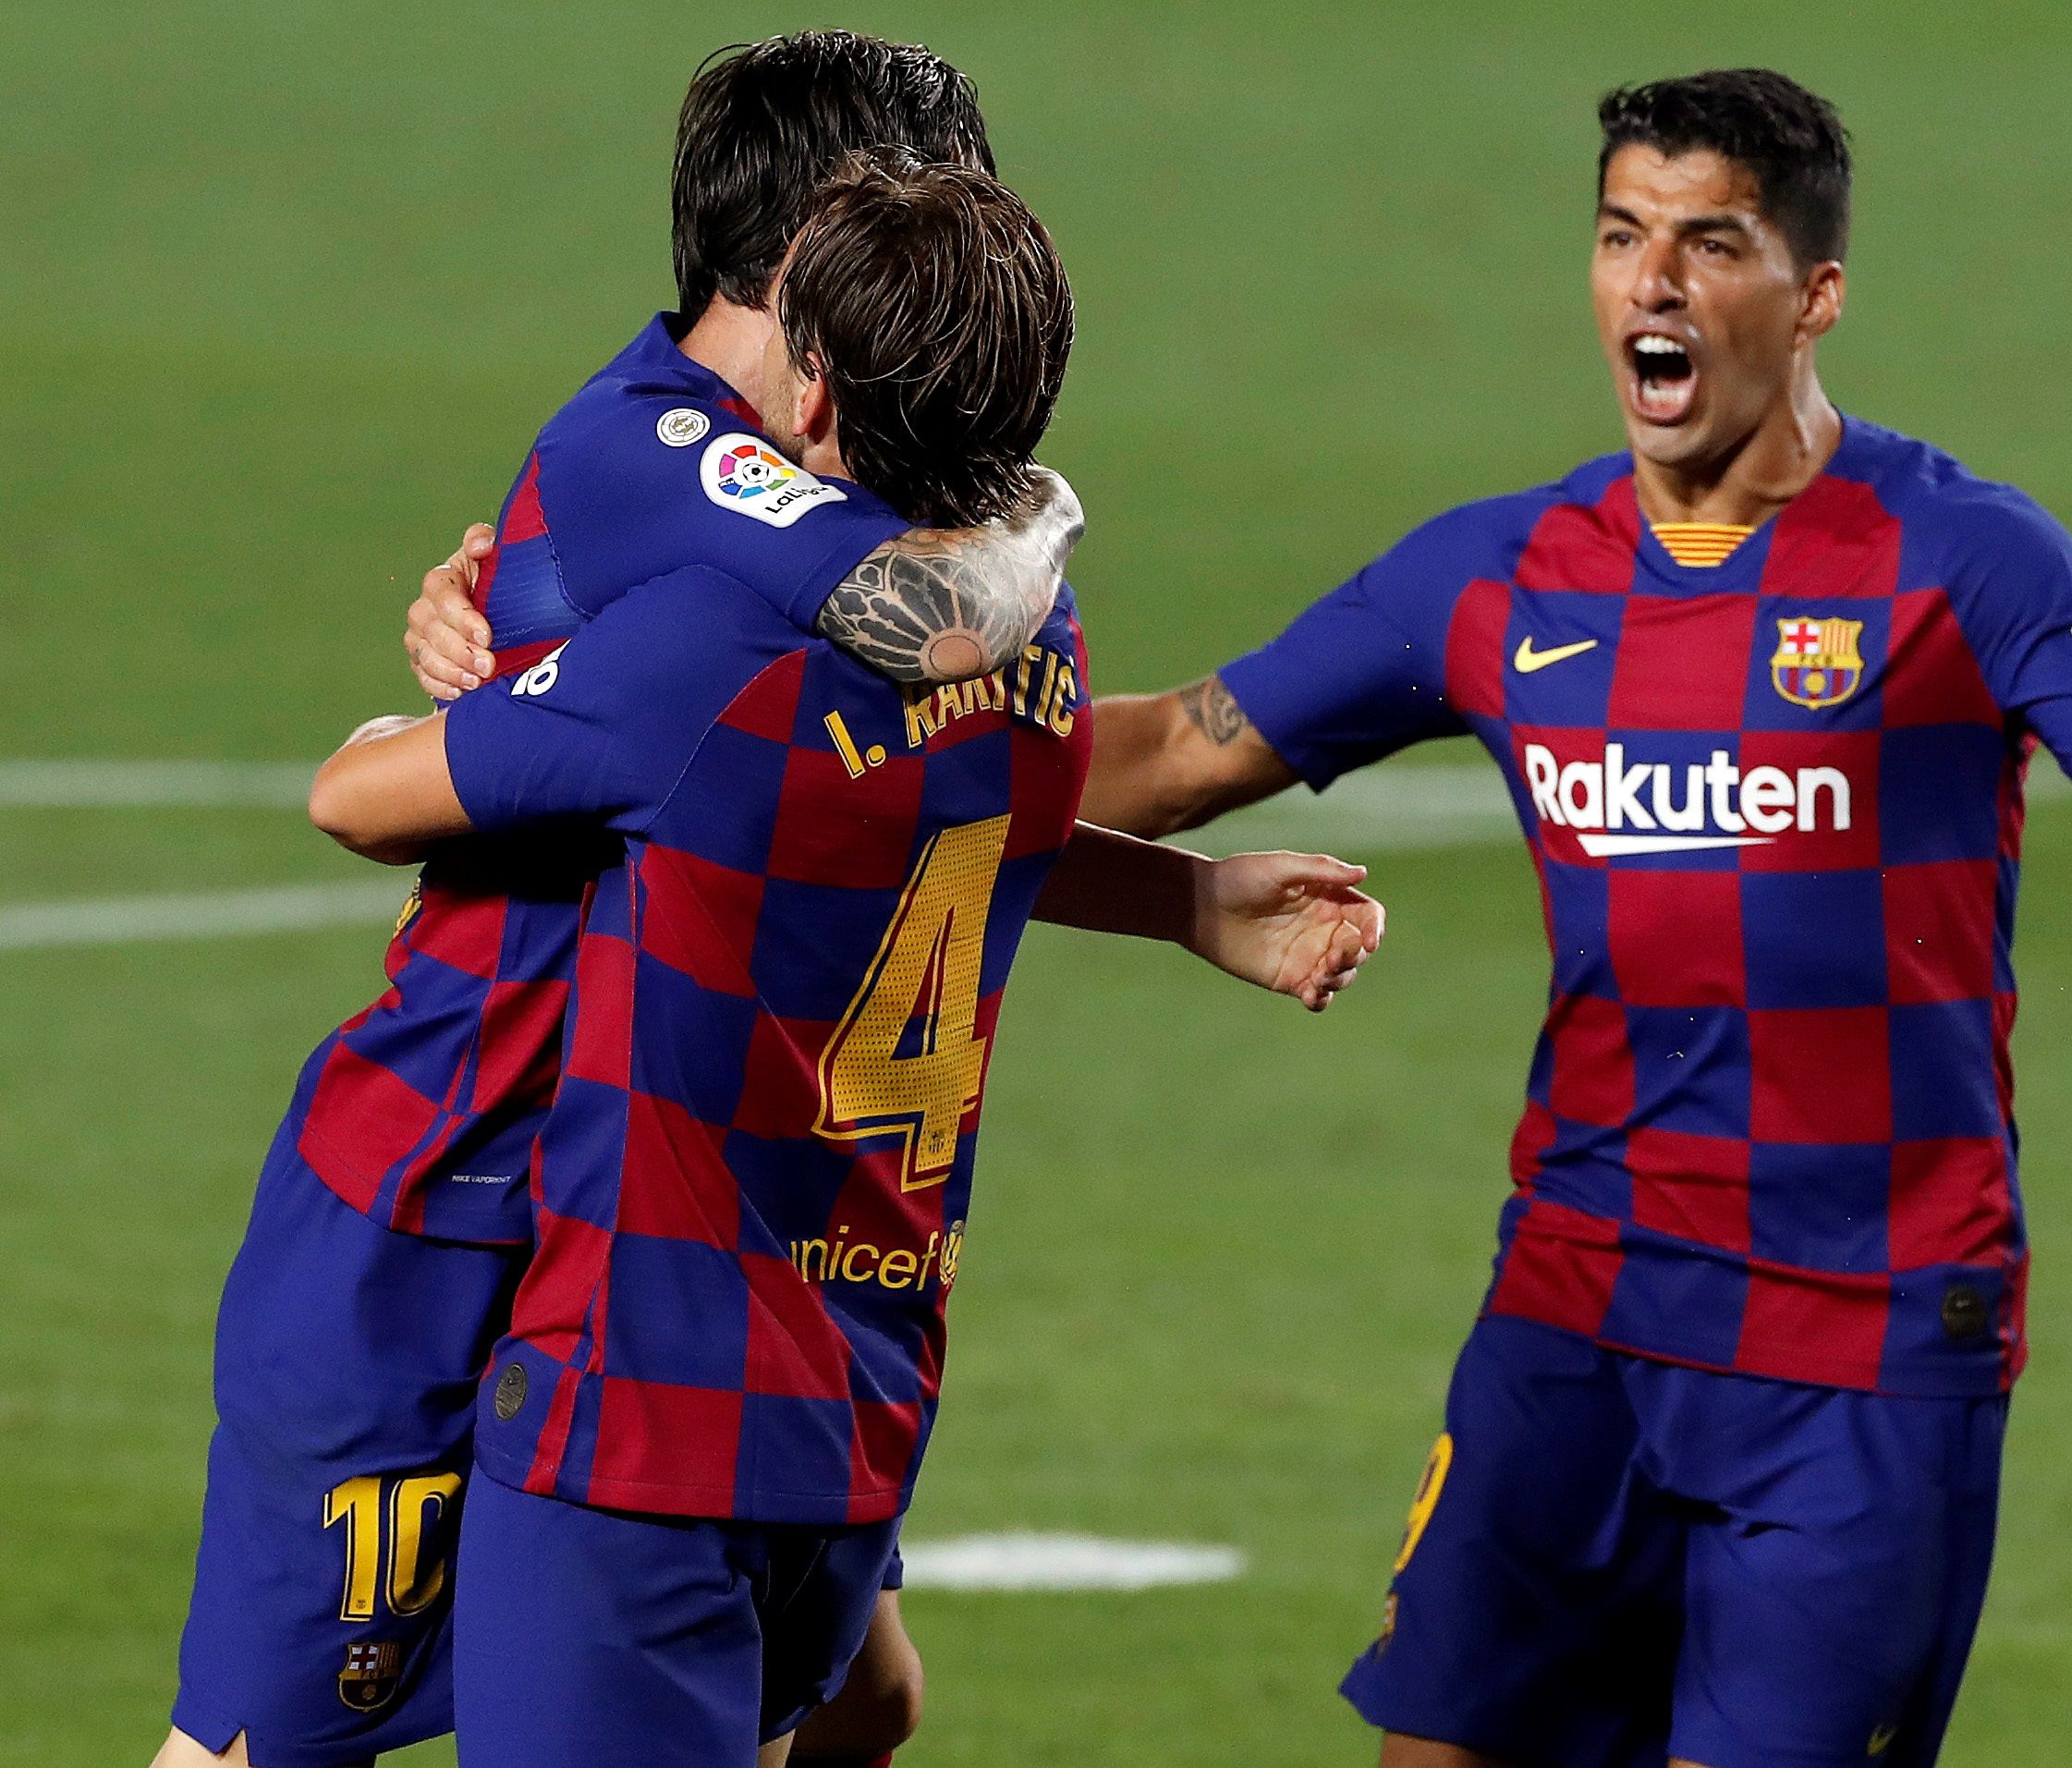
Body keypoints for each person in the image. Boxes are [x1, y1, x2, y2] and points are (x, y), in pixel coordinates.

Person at [411, 69, 2072, 1768]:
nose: (1657, 284)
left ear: (1815, 295)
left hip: (1860, 1351)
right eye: (1625, 233)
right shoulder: (1498, 581)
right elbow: (1172, 749)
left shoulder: (1952, 560)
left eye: (1715, 242)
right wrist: (613, 689)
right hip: (1577, 1318)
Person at [165, 33, 1158, 1768]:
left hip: (680, 1198)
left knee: (865, 1699)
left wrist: (1191, 903)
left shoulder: (798, 493)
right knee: (261, 1747)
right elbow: (929, 633)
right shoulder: (668, 455)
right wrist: (1041, 524)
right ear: (805, 278)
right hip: (451, 1188)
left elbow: (920, 786)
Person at [318, 151, 1382, 1766]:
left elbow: (356, 798)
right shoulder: (1041, 652)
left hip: (639, 1422)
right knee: (867, 1712)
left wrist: (458, 676)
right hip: (856, 1407)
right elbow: (944, 826)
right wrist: (1180, 900)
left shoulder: (699, 654)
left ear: (808, 384)